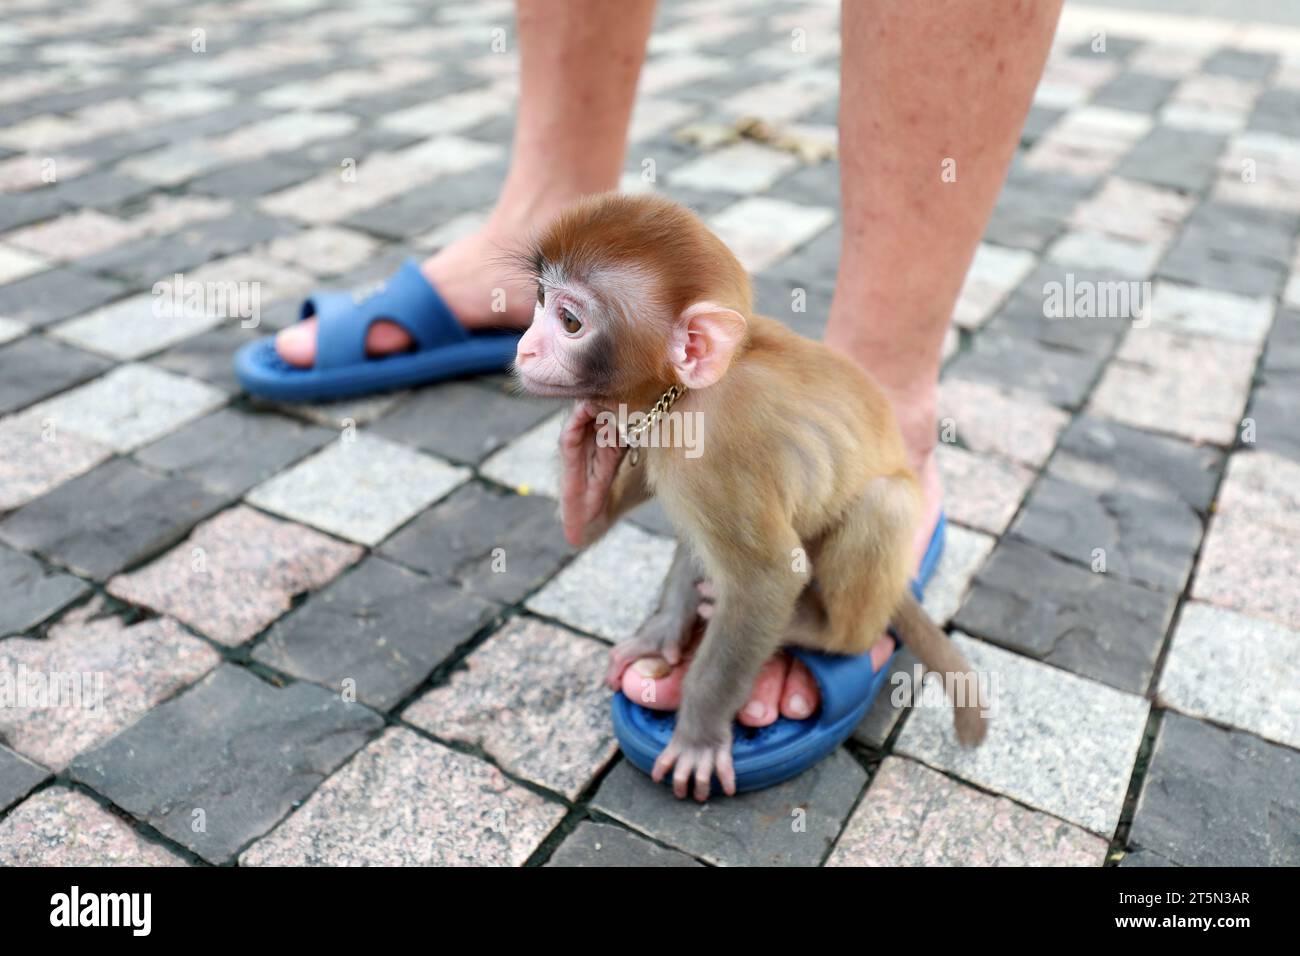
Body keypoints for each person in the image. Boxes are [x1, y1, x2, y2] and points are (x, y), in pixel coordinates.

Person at [237, 0, 1063, 727]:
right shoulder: (672, 405)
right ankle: (538, 196)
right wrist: (666, 611)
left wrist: (703, 721)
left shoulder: (706, 420)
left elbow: (758, 568)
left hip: (845, 520)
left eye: (565, 320)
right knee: (730, 518)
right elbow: (688, 522)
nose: (524, 349)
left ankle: (889, 410)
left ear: (693, 349)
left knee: (806, 537)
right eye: (538, 304)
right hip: (736, 472)